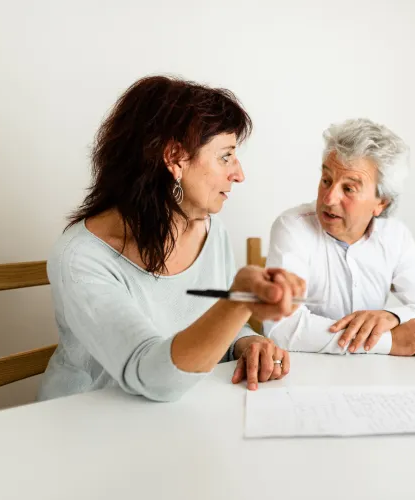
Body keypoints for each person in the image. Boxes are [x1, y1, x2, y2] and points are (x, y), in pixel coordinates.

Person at [38, 75, 305, 402]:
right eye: (226, 156)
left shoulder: (211, 230)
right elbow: (152, 378)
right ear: (175, 158)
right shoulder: (81, 258)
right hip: (85, 423)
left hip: (179, 415)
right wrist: (239, 300)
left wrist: (246, 342)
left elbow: (210, 322)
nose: (239, 173)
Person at [263, 118, 415, 356]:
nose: (329, 198)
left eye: (349, 189)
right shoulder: (293, 227)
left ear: (381, 203)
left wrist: (394, 317)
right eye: (326, 180)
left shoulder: (395, 236)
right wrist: (389, 341)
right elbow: (282, 326)